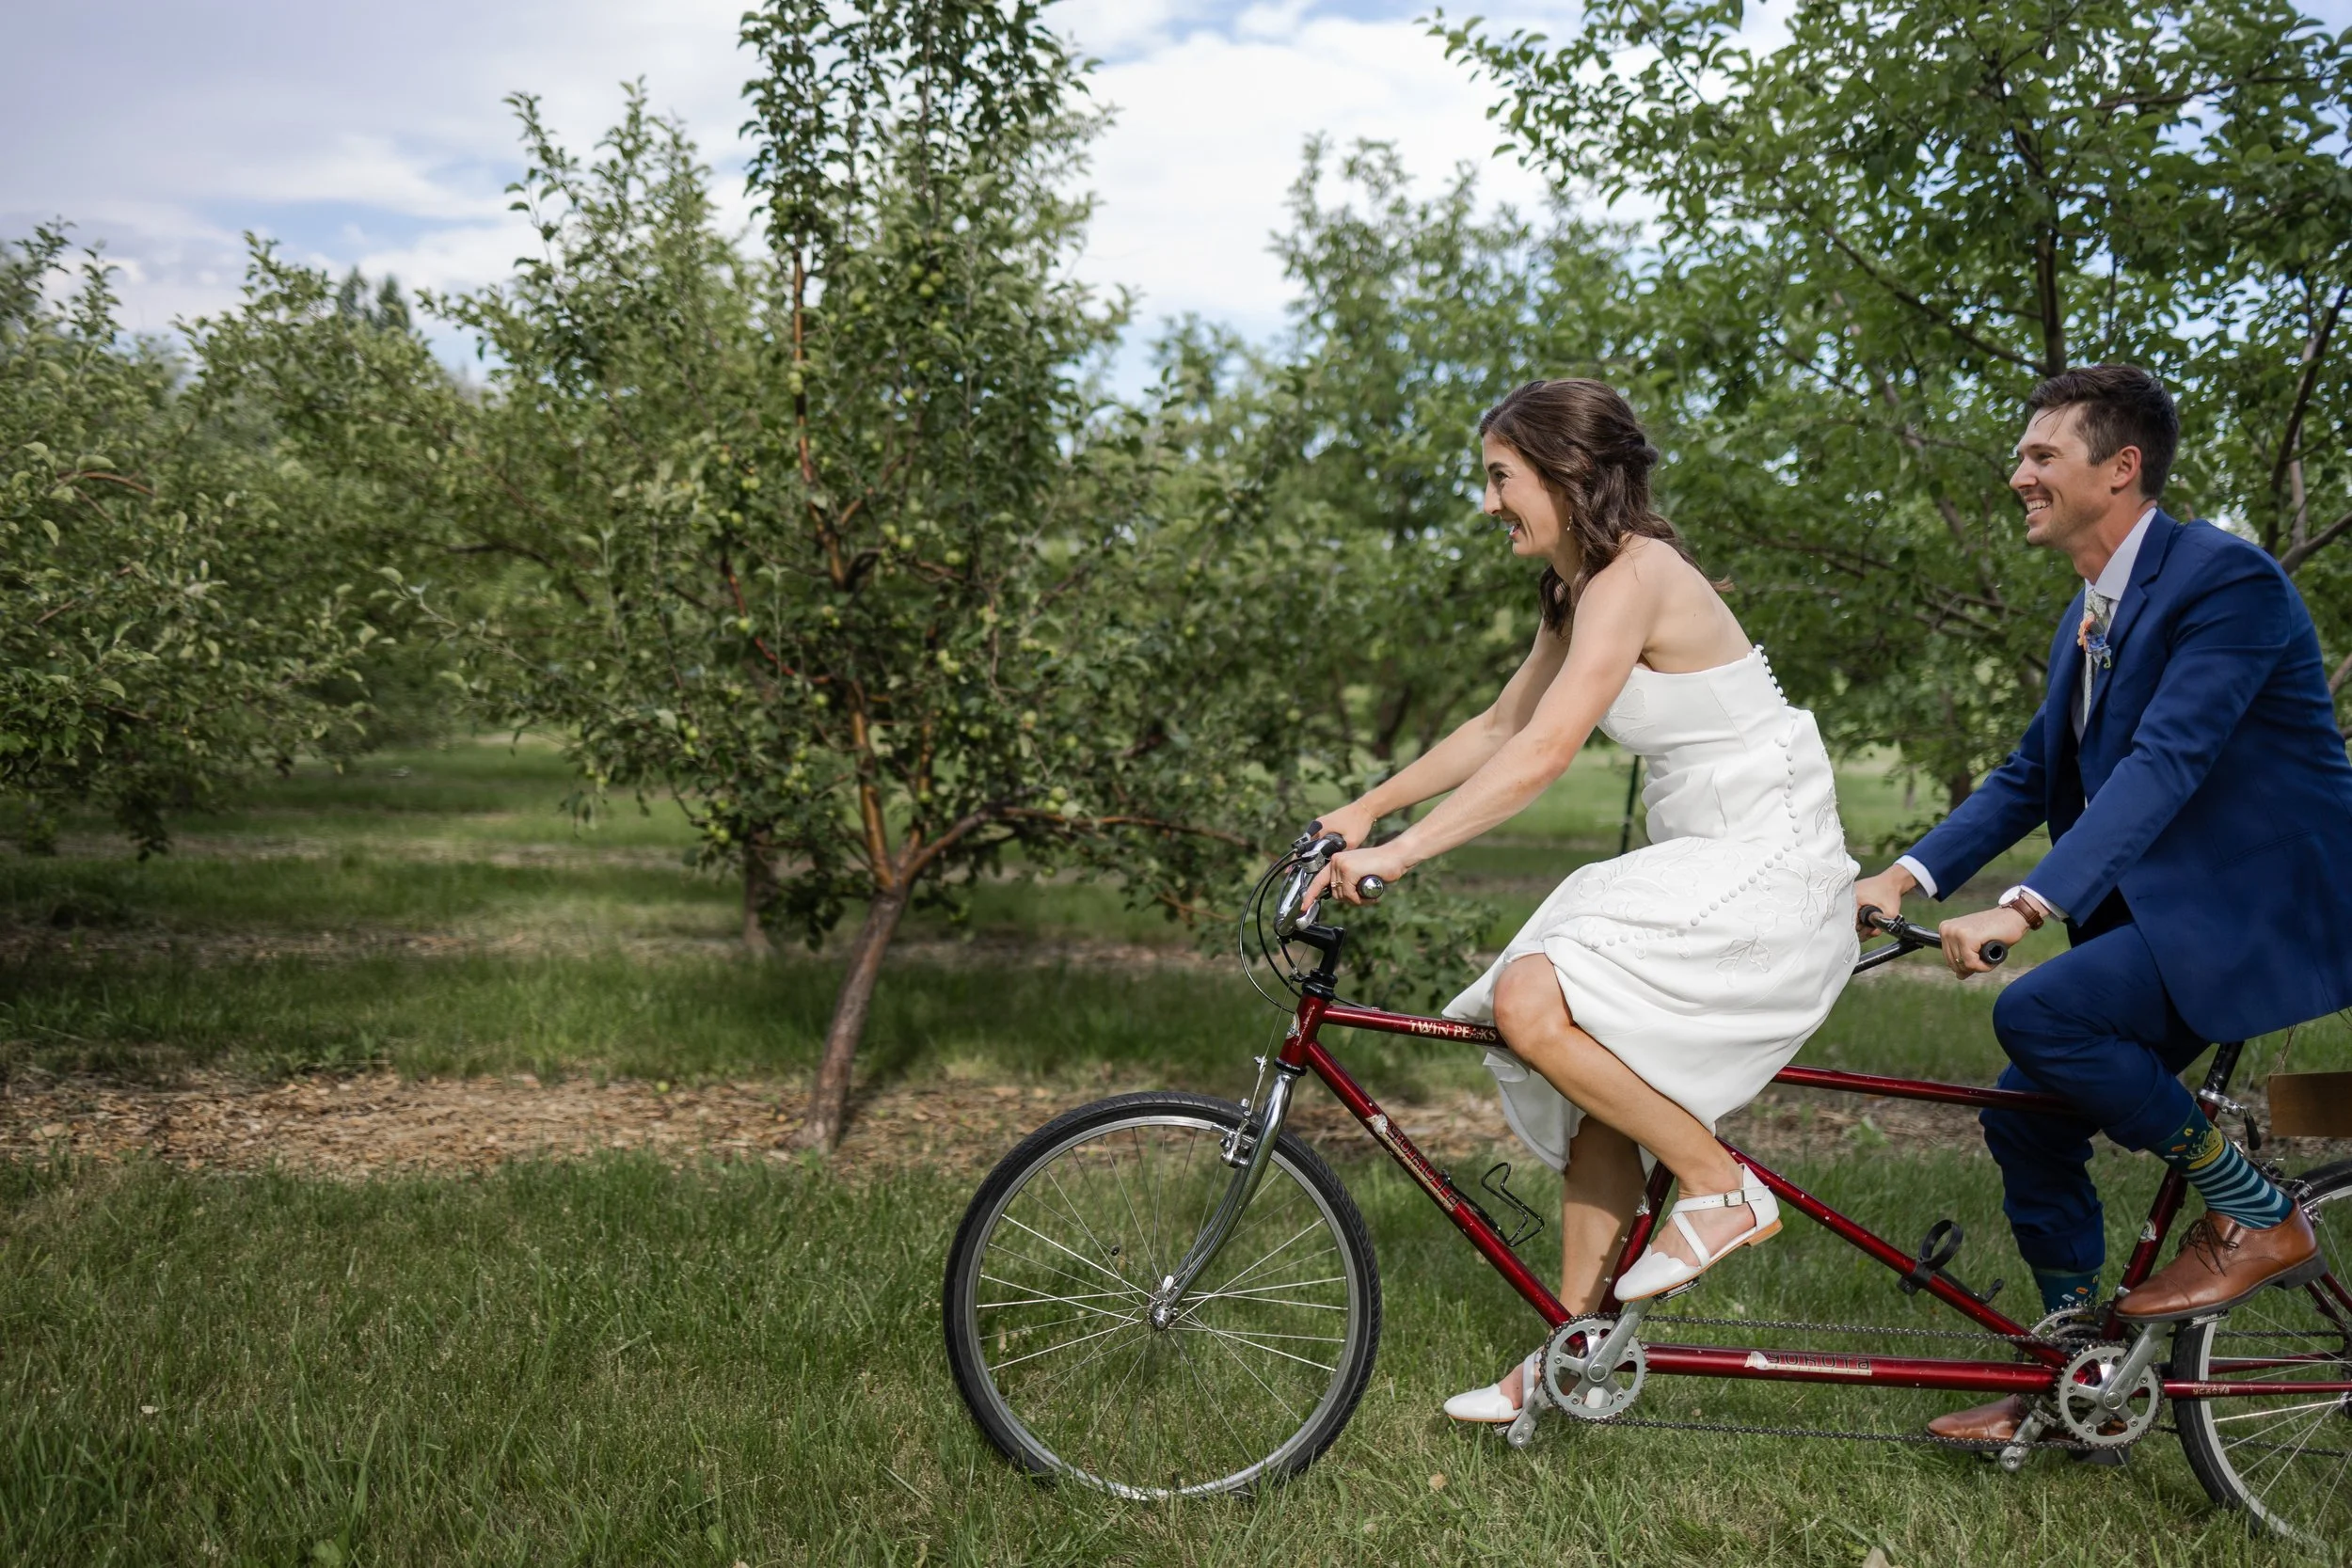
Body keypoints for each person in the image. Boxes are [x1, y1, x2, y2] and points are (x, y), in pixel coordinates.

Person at [1311, 378, 1858, 1424]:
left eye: (1499, 478)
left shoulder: (1639, 575)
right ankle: (1566, 1360)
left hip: (1768, 862)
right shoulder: (1582, 587)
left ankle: (1720, 1185)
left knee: (1531, 996)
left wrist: (1404, 851)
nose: (1487, 504)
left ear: (1565, 474)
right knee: (1586, 1062)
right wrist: (1363, 808)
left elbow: (1550, 751)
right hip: (1705, 853)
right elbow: (1500, 723)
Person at [1851, 365, 2348, 1449]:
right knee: (2024, 1119)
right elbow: (2034, 774)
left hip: (2255, 907)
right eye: (2021, 454)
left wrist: (2024, 907)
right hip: (2166, 915)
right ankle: (2077, 1380)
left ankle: (2257, 1212)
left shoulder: (2228, 581)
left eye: (2040, 455)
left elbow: (2168, 761)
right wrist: (1907, 875)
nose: (2015, 472)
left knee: (2040, 1012)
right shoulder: (2088, 608)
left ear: (2120, 468)